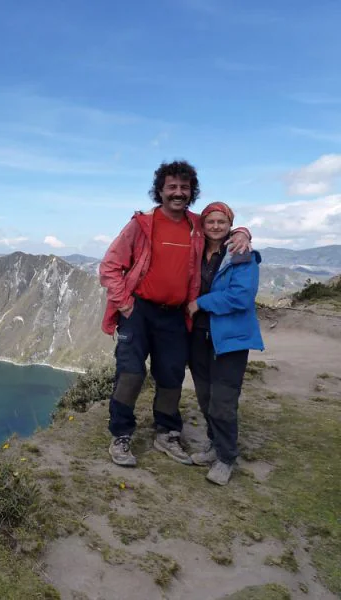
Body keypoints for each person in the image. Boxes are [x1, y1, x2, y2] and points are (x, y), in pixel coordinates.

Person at [99, 160, 251, 468]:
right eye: (172, 187)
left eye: (184, 188)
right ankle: (121, 433)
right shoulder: (141, 224)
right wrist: (125, 304)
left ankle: (167, 431)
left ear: (191, 192)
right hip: (139, 310)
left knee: (171, 375)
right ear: (160, 191)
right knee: (130, 372)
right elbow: (109, 266)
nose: (178, 193)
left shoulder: (196, 225)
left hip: (174, 315)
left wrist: (243, 232)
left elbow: (221, 228)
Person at [186, 202, 264, 485]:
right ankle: (213, 444)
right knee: (205, 397)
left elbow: (241, 297)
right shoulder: (196, 252)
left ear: (230, 224)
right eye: (211, 221)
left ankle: (226, 457)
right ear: (203, 224)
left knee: (223, 401)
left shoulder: (241, 254)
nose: (216, 226)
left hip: (229, 340)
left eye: (222, 221)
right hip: (199, 337)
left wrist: (200, 303)